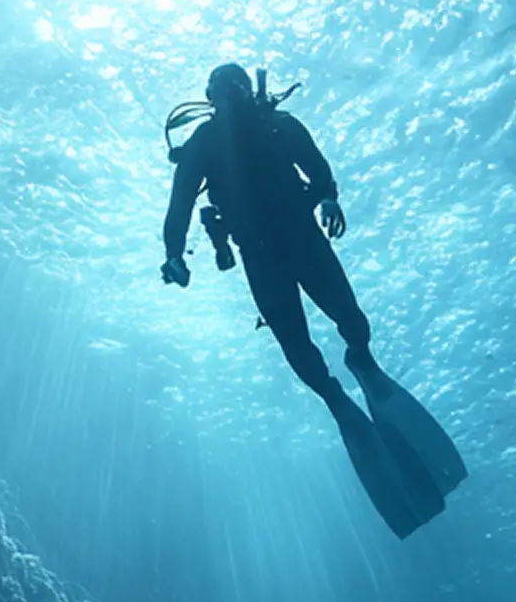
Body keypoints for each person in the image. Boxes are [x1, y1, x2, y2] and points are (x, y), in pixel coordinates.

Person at [159, 63, 466, 535]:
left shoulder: (276, 125)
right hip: (263, 257)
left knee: (352, 321)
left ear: (245, 88)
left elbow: (317, 167)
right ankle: (335, 396)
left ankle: (360, 362)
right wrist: (174, 253)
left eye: (234, 83)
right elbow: (179, 205)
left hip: (302, 241)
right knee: (299, 351)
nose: (230, 92)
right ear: (210, 97)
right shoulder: (204, 144)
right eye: (222, 87)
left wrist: (329, 198)